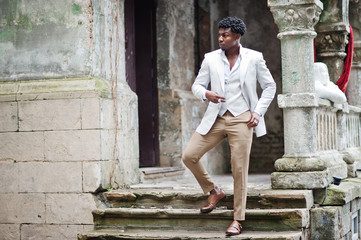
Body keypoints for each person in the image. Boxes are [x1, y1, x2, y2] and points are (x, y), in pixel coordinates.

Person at [182, 16, 276, 236]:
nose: (220, 38)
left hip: (243, 118)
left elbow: (269, 86)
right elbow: (197, 85)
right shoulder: (211, 59)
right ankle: (214, 191)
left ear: (237, 36)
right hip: (216, 117)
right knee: (189, 155)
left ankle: (237, 219)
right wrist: (206, 93)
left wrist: (257, 111)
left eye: (225, 35)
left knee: (239, 170)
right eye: (219, 34)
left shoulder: (254, 58)